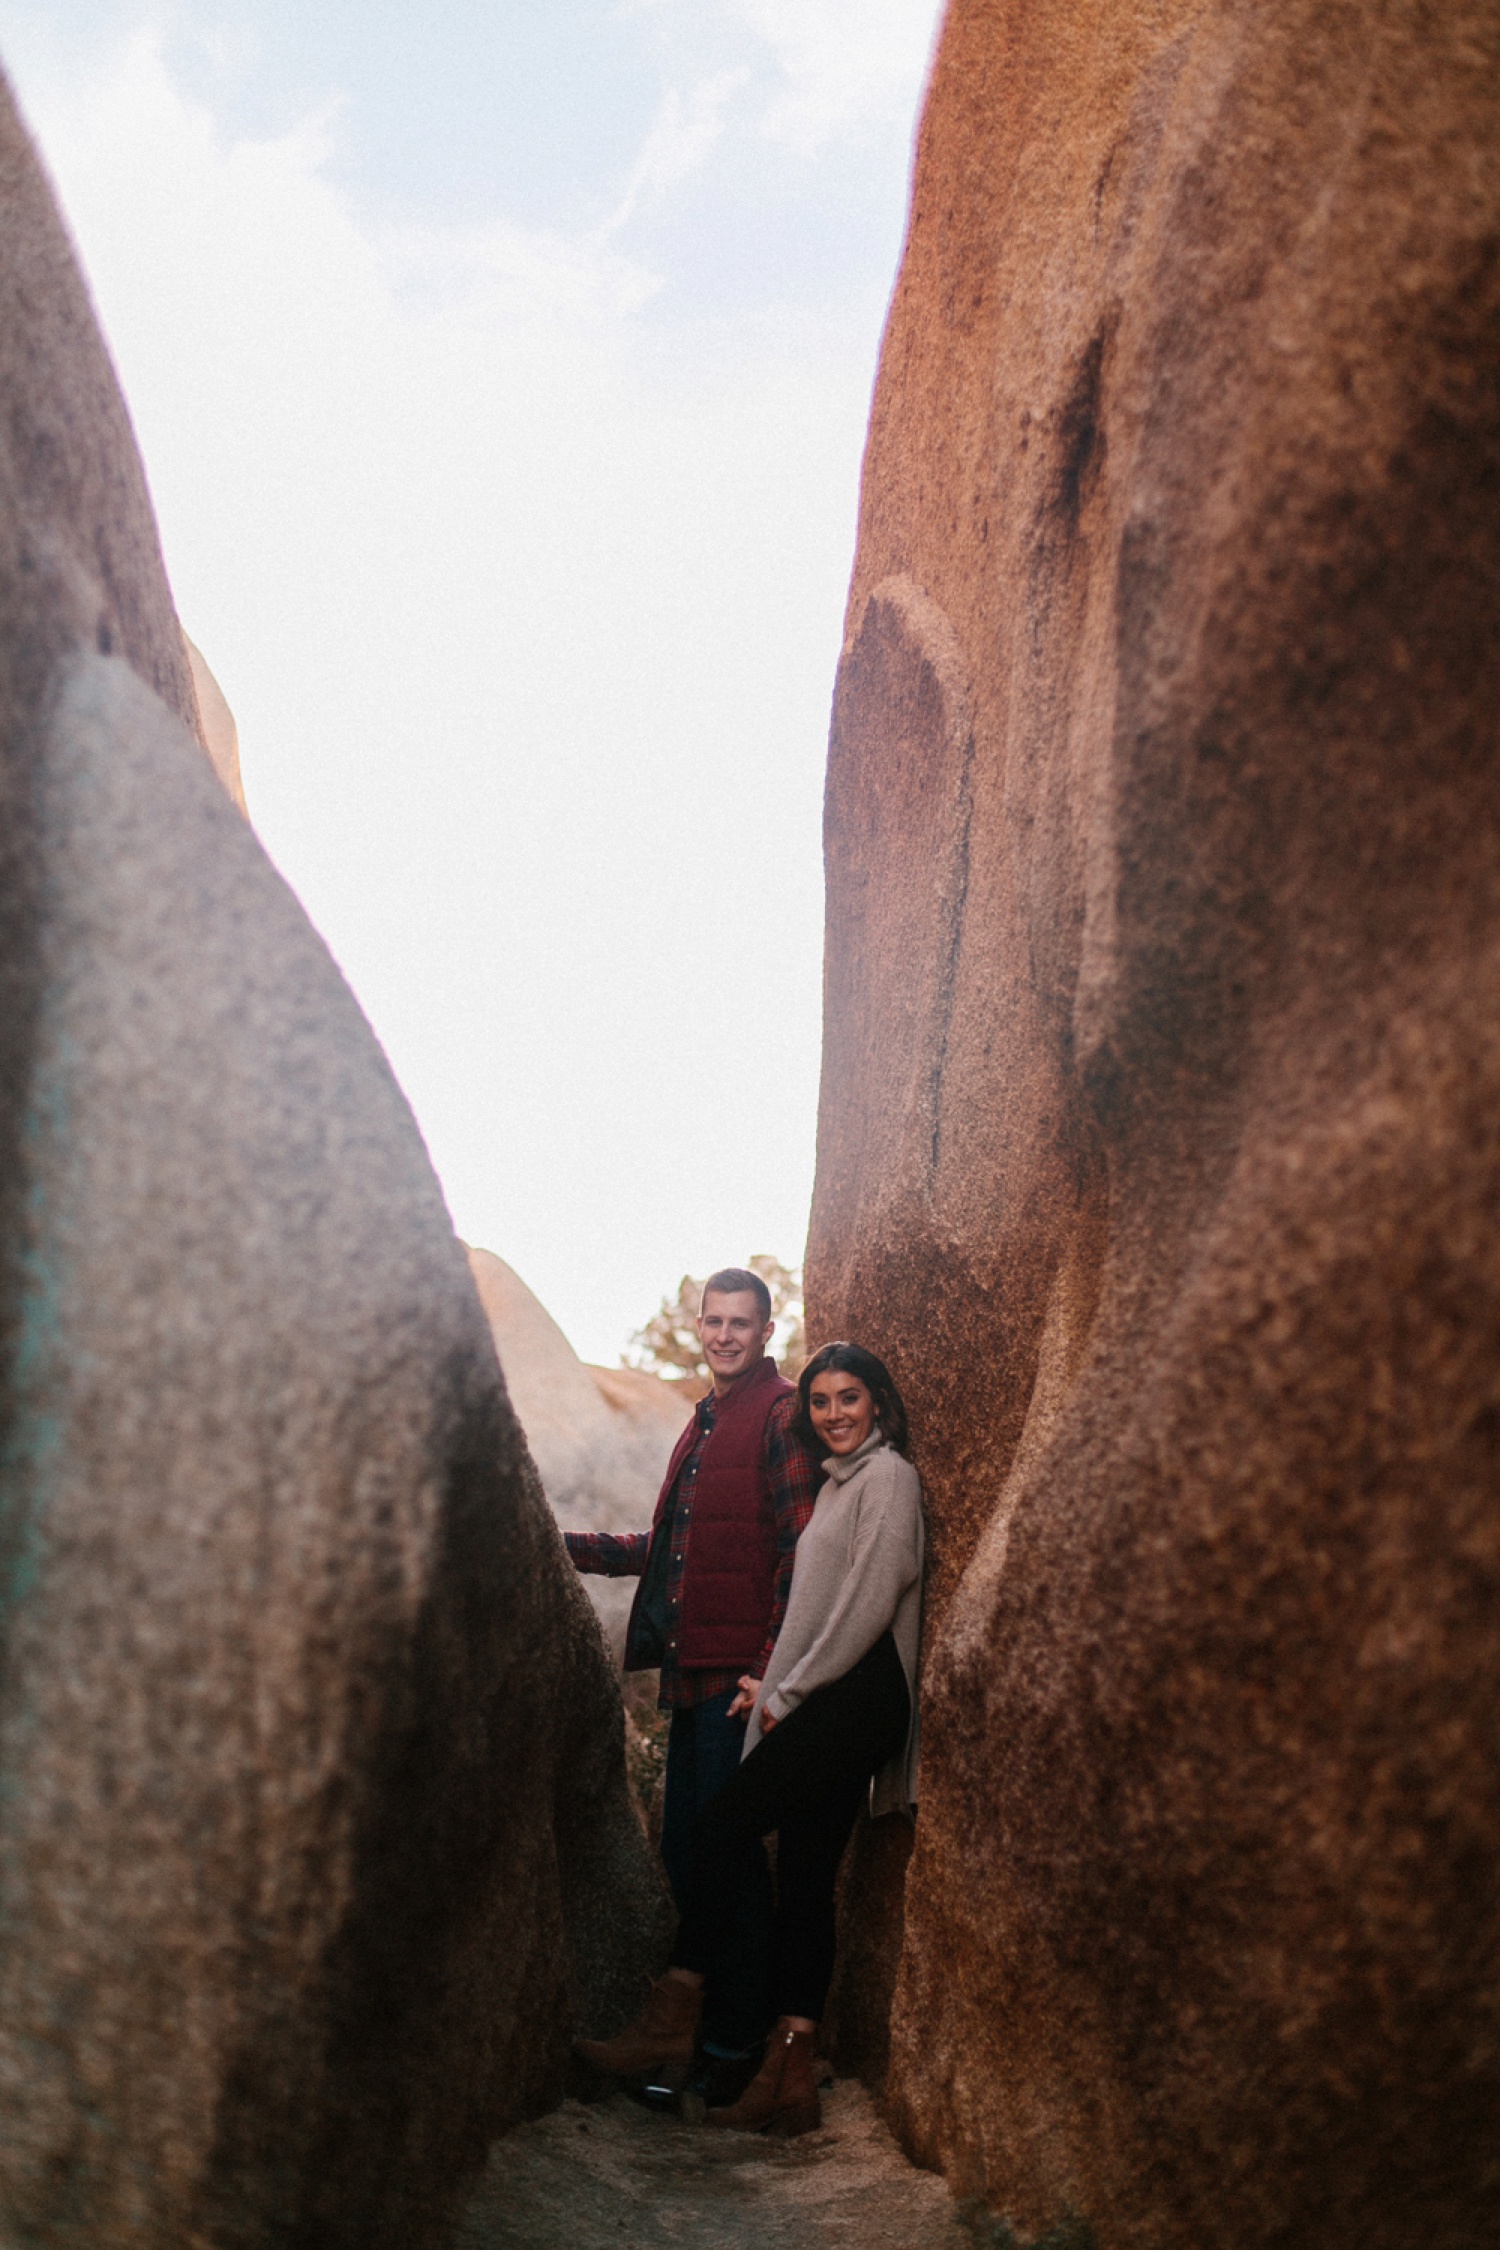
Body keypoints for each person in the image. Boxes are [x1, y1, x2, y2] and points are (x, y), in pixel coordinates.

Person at [646, 1339, 925, 2137]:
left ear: (878, 1402)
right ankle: (790, 2075)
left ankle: (677, 2008)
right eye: (822, 1402)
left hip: (862, 1696)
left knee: (721, 1826)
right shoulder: (836, 1489)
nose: (834, 1414)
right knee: (805, 1882)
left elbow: (873, 1600)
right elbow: (813, 1606)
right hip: (828, 1693)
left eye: (849, 1398)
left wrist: (789, 1691)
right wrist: (771, 1682)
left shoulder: (890, 1479)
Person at [568, 1268, 819, 2099]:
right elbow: (671, 1547)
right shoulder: (705, 1421)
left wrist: (770, 1669)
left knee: (729, 1862)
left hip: (738, 1681)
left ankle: (727, 2051)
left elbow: (801, 1550)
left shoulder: (780, 1415)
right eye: (713, 1322)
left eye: (740, 1323)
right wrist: (571, 1546)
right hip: (691, 1674)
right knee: (693, 1853)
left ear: (766, 1329)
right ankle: (693, 2039)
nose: (724, 1336)